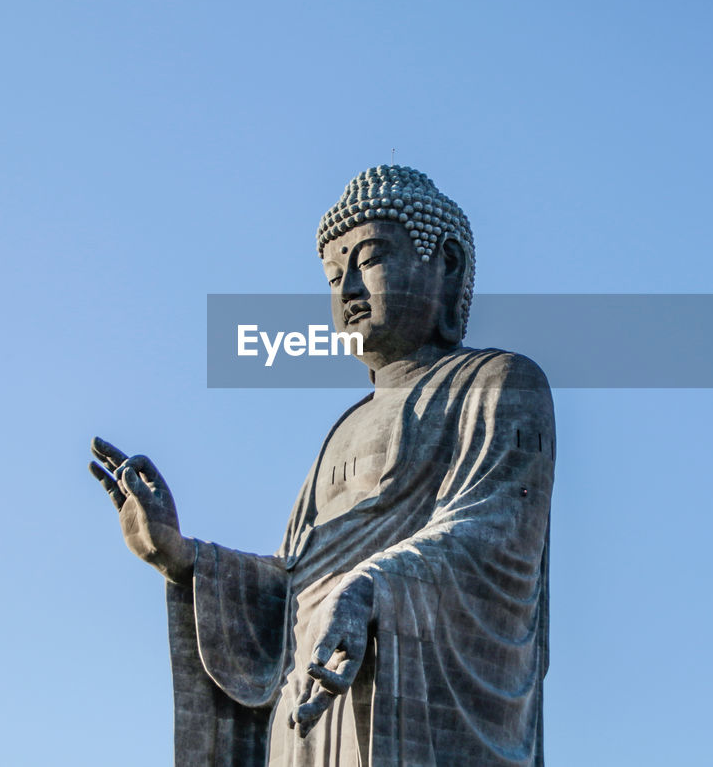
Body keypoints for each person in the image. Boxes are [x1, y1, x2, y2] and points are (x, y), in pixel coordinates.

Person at [90, 166, 556, 766]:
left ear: (448, 265)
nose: (349, 290)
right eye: (335, 275)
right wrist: (184, 557)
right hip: (311, 702)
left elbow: (491, 535)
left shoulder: (499, 383)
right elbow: (293, 581)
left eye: (371, 260)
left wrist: (369, 588)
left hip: (408, 700)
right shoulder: (342, 430)